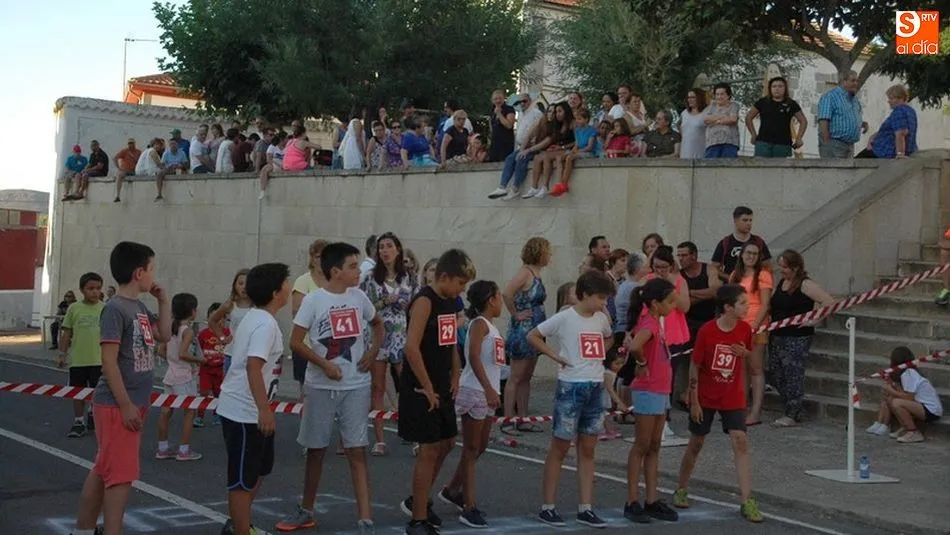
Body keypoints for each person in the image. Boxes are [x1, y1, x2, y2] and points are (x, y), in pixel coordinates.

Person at [276, 243, 383, 533]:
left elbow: (378, 325)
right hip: (321, 386)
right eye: (351, 266)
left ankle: (365, 518)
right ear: (335, 271)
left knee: (357, 449)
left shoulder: (360, 297)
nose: (357, 271)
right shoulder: (314, 301)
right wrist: (324, 364)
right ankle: (306, 509)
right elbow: (296, 342)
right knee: (316, 449)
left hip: (356, 385)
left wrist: (372, 354)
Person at [71, 241, 172, 535]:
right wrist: (126, 403)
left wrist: (164, 301)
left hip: (130, 402)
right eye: (152, 269)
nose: (154, 276)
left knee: (104, 469)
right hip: (118, 404)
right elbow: (108, 361)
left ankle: (84, 529)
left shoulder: (139, 307)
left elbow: (164, 334)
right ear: (139, 272)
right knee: (120, 477)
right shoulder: (115, 308)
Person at [398, 249, 476, 535]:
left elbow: (450, 341)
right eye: (460, 284)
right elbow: (411, 347)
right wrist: (428, 387)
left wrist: (455, 374)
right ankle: (417, 518)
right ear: (445, 276)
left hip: (443, 384)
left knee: (447, 443)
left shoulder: (449, 302)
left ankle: (418, 498)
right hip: (421, 386)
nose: (462, 290)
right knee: (429, 449)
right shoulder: (424, 301)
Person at [528, 271, 614, 528]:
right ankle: (548, 506)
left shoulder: (600, 318)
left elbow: (608, 336)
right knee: (560, 446)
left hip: (595, 384)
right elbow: (533, 335)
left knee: (588, 447)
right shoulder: (565, 317)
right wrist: (555, 356)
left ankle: (586, 507)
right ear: (585, 295)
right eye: (600, 298)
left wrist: (600, 351)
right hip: (571, 386)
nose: (604, 304)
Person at [672, 284, 763, 523]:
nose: (747, 307)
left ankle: (747, 500)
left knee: (740, 441)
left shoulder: (744, 329)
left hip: (732, 395)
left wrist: (743, 354)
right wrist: (694, 399)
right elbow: (696, 364)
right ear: (728, 307)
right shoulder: (707, 331)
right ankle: (681, 487)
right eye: (742, 303)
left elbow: (748, 355)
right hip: (706, 395)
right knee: (696, 443)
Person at [215, 262, 291, 535]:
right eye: (286, 282)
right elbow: (253, 366)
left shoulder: (260, 318)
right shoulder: (264, 324)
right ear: (275, 292)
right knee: (242, 479)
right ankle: (239, 529)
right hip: (243, 411)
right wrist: (263, 410)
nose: (289, 286)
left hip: (253, 409)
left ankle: (239, 523)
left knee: (260, 469)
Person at [438, 281, 505, 527]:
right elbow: (474, 356)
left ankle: (453, 489)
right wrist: (487, 387)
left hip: (488, 390)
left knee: (481, 445)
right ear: (490, 299)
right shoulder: (479, 324)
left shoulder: (493, 327)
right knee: (471, 448)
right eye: (499, 297)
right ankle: (469, 505)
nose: (501, 303)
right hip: (475, 389)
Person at [624, 278, 679, 524]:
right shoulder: (650, 324)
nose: (673, 305)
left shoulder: (656, 323)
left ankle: (651, 499)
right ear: (655, 303)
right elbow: (636, 345)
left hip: (660, 390)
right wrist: (642, 363)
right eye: (669, 301)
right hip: (648, 390)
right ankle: (632, 500)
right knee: (642, 445)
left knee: (654, 445)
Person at [360, 233, 417, 455]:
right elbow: (365, 305)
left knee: (406, 384)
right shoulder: (371, 277)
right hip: (378, 333)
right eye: (381, 247)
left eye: (389, 246)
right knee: (378, 386)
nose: (385, 251)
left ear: (398, 249)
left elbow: (417, 303)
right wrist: (385, 301)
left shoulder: (409, 277)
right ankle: (380, 439)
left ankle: (413, 435)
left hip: (401, 334)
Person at [769, 250, 834, 427]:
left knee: (793, 374)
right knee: (776, 374)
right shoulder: (782, 282)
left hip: (796, 337)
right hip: (777, 335)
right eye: (780, 266)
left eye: (785, 267)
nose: (781, 270)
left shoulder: (805, 284)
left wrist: (814, 321)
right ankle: (792, 406)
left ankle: (792, 412)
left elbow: (829, 302)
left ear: (795, 267)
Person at [501, 238, 551, 436]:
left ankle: (522, 417)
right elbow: (507, 293)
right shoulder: (525, 272)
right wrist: (515, 314)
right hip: (524, 329)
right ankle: (507, 419)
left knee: (526, 377)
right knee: (516, 376)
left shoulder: (536, 273)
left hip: (535, 329)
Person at [156, 293, 205, 461]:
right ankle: (184, 450)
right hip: (185, 376)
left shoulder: (170, 327)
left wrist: (172, 360)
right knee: (190, 412)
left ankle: (162, 448)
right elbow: (183, 354)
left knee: (166, 411)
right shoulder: (188, 331)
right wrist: (201, 360)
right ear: (192, 311)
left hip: (170, 374)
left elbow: (161, 350)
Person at [729, 242, 773, 425]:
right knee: (741, 369)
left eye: (755, 253)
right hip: (737, 325)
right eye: (748, 252)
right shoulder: (735, 275)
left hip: (756, 325)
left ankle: (755, 412)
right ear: (742, 254)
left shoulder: (763, 275)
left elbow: (765, 304)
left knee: (755, 368)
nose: (751, 256)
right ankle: (740, 408)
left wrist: (754, 326)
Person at [866, 346, 943, 443]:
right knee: (891, 400)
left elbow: (909, 398)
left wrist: (891, 390)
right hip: (921, 405)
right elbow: (905, 394)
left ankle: (913, 432)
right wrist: (893, 386)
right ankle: (900, 427)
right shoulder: (906, 373)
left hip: (931, 409)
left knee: (897, 403)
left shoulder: (909, 373)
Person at [60, 272, 105, 438]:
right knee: (78, 392)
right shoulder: (74, 309)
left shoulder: (105, 308)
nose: (95, 292)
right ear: (82, 290)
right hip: (78, 359)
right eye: (90, 288)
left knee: (97, 391)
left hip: (99, 359)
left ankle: (93, 413)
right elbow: (66, 334)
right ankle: (79, 421)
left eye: (98, 288)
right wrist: (61, 354)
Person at [291, 240, 328, 398]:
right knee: (306, 392)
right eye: (318, 256)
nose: (321, 260)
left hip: (329, 345)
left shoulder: (333, 281)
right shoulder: (303, 281)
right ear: (312, 258)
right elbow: (296, 312)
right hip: (306, 344)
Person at [746, 76, 807, 158]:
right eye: (774, 86)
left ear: (785, 88)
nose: (777, 89)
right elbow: (748, 117)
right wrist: (753, 134)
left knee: (780, 169)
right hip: (763, 142)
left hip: (783, 143)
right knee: (760, 168)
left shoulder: (791, 103)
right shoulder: (762, 102)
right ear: (770, 88)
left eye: (780, 86)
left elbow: (803, 121)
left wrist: (799, 138)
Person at [208, 269, 252, 374]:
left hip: (251, 354)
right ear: (235, 285)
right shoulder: (230, 304)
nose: (244, 287)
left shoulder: (258, 306)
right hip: (232, 353)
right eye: (240, 283)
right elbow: (212, 321)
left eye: (248, 284)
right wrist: (222, 338)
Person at [856, 84, 918, 159]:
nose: (889, 101)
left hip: (884, 151)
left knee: (854, 164)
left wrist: (900, 154)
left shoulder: (899, 111)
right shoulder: (911, 111)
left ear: (901, 98)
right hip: (898, 150)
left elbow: (901, 132)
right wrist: (872, 137)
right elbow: (890, 130)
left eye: (891, 98)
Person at [711, 206, 771, 282]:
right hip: (731, 288)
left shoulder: (758, 242)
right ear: (735, 220)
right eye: (745, 220)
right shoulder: (725, 243)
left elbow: (767, 266)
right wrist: (729, 278)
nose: (749, 223)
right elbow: (714, 268)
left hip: (753, 286)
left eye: (750, 220)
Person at [817, 69, 867, 159]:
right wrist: (827, 142)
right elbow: (823, 120)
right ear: (844, 81)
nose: (855, 83)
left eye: (856, 81)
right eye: (852, 81)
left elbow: (847, 118)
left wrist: (862, 124)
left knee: (847, 173)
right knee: (834, 171)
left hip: (850, 145)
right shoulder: (830, 97)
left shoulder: (854, 100)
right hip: (835, 144)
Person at [196, 303, 228, 426]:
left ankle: (217, 414)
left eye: (220, 317)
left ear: (225, 319)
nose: (217, 320)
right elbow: (198, 349)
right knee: (204, 392)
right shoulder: (203, 334)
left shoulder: (227, 333)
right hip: (206, 369)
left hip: (221, 369)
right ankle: (200, 416)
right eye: (213, 316)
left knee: (219, 393)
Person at [703, 83, 740, 158]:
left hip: (729, 142)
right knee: (710, 167)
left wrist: (715, 121)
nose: (719, 97)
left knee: (727, 168)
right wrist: (723, 116)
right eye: (717, 94)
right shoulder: (711, 106)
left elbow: (733, 119)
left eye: (722, 94)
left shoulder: (734, 105)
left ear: (728, 95)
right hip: (712, 142)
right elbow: (706, 120)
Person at [488, 90, 517, 162]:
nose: (498, 101)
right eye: (495, 99)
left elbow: (509, 125)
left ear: (504, 99)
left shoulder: (509, 109)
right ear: (492, 100)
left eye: (500, 98)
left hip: (506, 143)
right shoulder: (492, 110)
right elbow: (491, 124)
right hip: (495, 143)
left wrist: (499, 114)